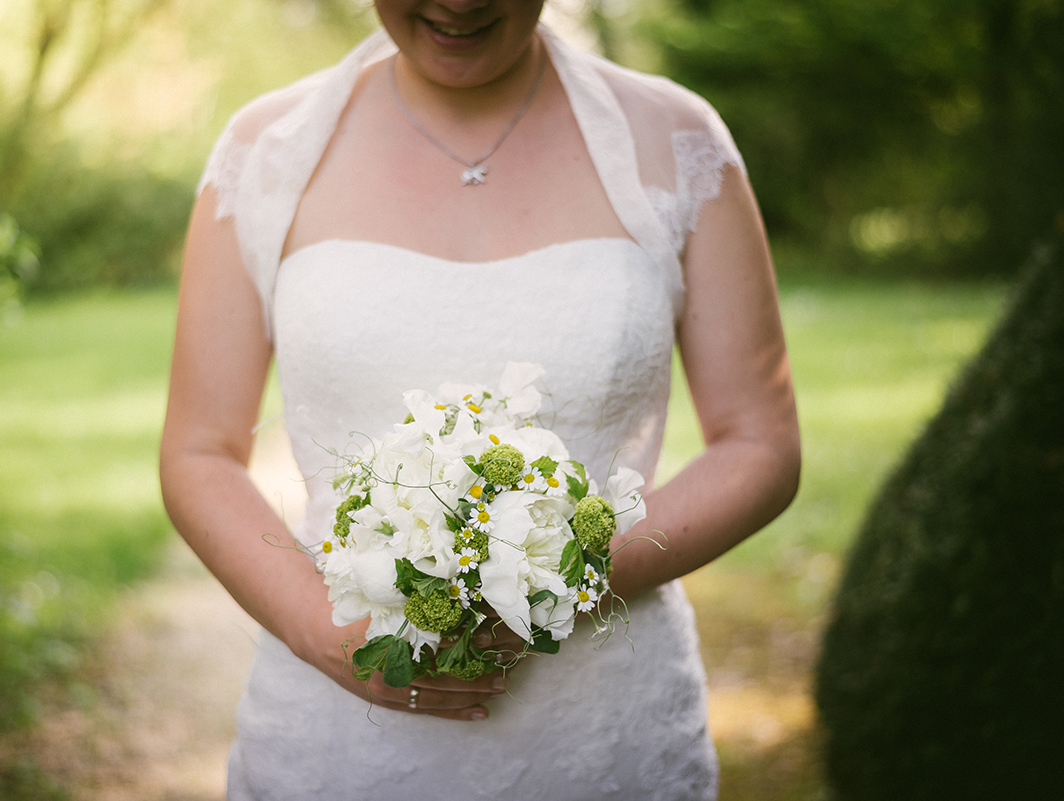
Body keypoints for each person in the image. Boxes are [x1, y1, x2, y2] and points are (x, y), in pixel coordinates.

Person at [159, 0, 800, 797]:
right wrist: (324, 632)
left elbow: (759, 441)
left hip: (605, 732)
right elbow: (198, 451)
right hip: (339, 734)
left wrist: (563, 578)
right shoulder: (266, 151)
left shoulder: (674, 139)